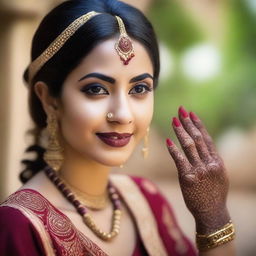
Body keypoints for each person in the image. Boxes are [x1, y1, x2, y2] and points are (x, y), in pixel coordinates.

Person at [0, 0, 235, 255]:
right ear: (49, 99)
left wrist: (214, 219)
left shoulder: (146, 201)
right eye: (96, 89)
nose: (123, 114)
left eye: (139, 89)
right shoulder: (21, 225)